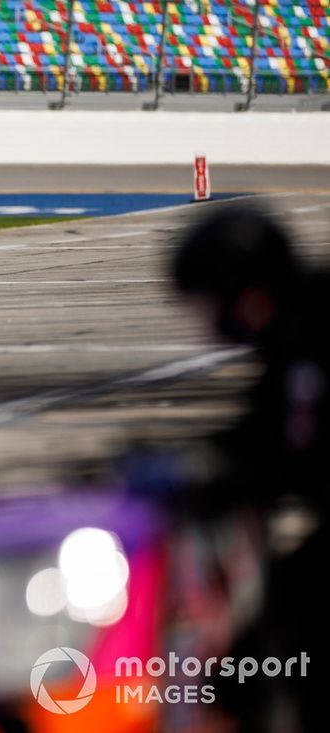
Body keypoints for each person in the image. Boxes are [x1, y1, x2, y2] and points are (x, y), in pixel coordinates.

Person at [169, 203, 329, 732]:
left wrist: (226, 474)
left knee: (278, 631)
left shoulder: (316, 331)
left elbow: (296, 451)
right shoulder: (294, 335)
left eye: (213, 300)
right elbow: (259, 431)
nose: (210, 319)